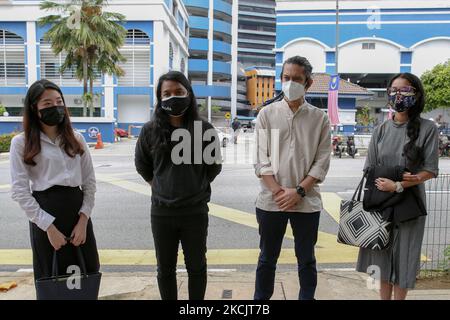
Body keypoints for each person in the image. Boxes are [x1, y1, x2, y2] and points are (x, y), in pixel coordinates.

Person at [135, 71, 222, 300]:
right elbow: (142, 165)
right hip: (162, 213)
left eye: (178, 92)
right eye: (167, 93)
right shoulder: (150, 130)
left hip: (195, 212)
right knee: (165, 270)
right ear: (159, 98)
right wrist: (161, 186)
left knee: (197, 267)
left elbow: (213, 167)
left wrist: (194, 185)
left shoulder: (204, 130)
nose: (173, 97)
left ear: (189, 94)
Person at [9, 79, 100, 298]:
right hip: (45, 217)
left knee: (83, 276)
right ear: (34, 108)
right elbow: (20, 191)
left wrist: (83, 220)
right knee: (52, 280)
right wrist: (48, 227)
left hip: (77, 215)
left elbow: (89, 183)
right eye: (47, 103)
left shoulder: (77, 139)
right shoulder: (21, 143)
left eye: (59, 101)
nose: (55, 107)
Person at [253, 56, 331, 300]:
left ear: (307, 83)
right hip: (271, 201)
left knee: (306, 259)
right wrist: (279, 192)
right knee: (267, 258)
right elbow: (260, 160)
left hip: (306, 202)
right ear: (281, 79)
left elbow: (322, 161)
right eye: (286, 78)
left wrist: (297, 192)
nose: (290, 83)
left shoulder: (320, 118)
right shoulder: (266, 114)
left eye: (297, 79)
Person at [356, 73, 439, 300]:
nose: (397, 96)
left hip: (410, 206)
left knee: (405, 258)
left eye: (404, 91)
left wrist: (399, 185)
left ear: (416, 95)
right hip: (381, 201)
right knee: (381, 256)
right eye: (393, 90)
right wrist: (390, 183)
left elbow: (430, 169)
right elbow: (369, 168)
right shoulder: (380, 130)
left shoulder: (428, 128)